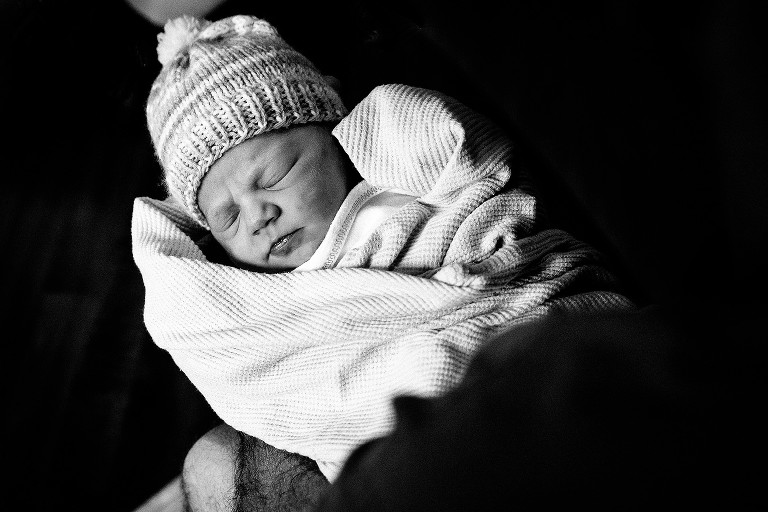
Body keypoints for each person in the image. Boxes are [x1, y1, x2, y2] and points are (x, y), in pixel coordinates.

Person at [132, 12, 634, 509]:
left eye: (275, 174)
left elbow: (482, 187)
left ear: (334, 136)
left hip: (525, 357)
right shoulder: (257, 303)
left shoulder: (406, 186)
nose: (258, 215)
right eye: (226, 218)